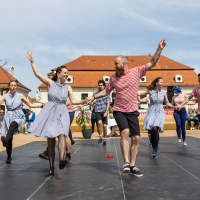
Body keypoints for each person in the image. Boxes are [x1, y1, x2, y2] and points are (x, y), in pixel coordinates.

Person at [86, 38, 166, 177]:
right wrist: (93, 96)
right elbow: (106, 91)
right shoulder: (113, 77)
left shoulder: (136, 72)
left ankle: (133, 165)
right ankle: (126, 163)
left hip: (133, 110)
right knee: (125, 132)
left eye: (115, 63)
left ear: (124, 64)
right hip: (119, 110)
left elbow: (152, 63)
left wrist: (159, 48)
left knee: (136, 138)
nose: (114, 66)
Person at [26, 51, 85, 177]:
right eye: (65, 73)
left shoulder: (68, 87)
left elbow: (73, 101)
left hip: (63, 112)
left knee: (63, 134)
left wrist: (84, 100)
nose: (67, 75)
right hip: (50, 112)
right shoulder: (50, 83)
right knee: (51, 141)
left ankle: (62, 159)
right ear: (58, 74)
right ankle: (51, 168)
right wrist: (32, 61)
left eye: (68, 73)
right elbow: (37, 74)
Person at [0, 80, 42, 164]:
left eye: (15, 85)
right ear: (9, 87)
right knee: (10, 137)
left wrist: (41, 105)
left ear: (16, 87)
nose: (13, 87)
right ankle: (9, 156)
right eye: (11, 85)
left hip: (18, 115)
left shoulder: (20, 95)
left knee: (13, 124)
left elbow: (30, 105)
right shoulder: (5, 96)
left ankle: (6, 140)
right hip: (9, 116)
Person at [143, 77, 174, 158]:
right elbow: (139, 94)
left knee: (155, 128)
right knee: (152, 130)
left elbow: (167, 103)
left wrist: (174, 106)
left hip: (160, 111)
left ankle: (155, 149)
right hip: (151, 111)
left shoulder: (164, 92)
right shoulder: (150, 91)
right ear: (157, 83)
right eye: (161, 82)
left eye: (163, 82)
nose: (163, 84)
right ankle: (154, 148)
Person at [93, 80, 111, 147]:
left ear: (104, 86)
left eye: (101, 85)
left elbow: (108, 103)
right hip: (97, 110)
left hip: (104, 111)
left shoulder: (107, 93)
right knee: (99, 123)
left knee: (104, 126)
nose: (100, 86)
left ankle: (105, 139)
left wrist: (106, 112)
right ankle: (100, 137)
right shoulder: (96, 93)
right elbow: (92, 99)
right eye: (99, 85)